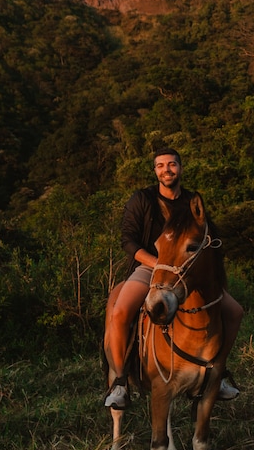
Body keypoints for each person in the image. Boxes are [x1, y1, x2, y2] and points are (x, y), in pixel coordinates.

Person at [104, 148, 242, 408]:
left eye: (171, 164)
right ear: (155, 171)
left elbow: (207, 237)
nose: (166, 169)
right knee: (121, 311)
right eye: (160, 165)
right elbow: (128, 240)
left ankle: (217, 373)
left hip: (187, 270)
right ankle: (120, 382)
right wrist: (159, 264)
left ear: (180, 168)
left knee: (234, 312)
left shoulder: (192, 202)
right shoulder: (142, 199)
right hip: (150, 266)